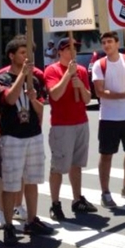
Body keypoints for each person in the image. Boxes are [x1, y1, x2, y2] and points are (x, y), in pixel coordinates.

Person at [0, 35, 53, 246]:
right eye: (22, 53)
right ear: (12, 55)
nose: (27, 56)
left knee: (32, 180)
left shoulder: (35, 79)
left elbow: (40, 109)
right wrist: (22, 76)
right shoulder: (3, 78)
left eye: (28, 52)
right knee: (11, 183)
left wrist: (33, 99)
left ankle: (32, 219)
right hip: (12, 135)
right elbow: (10, 99)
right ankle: (9, 225)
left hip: (33, 134)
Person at [91, 31, 125, 209]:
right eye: (104, 42)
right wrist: (123, 95)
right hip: (108, 117)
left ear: (117, 43)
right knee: (106, 155)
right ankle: (105, 192)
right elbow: (99, 92)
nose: (107, 45)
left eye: (110, 42)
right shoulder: (100, 64)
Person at [44, 37, 96, 221]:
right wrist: (67, 76)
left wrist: (80, 84)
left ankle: (77, 199)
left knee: (77, 164)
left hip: (81, 122)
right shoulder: (52, 70)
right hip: (62, 125)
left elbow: (88, 99)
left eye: (75, 48)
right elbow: (55, 95)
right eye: (68, 48)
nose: (73, 51)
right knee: (58, 167)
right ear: (60, 51)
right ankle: (55, 203)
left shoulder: (81, 71)